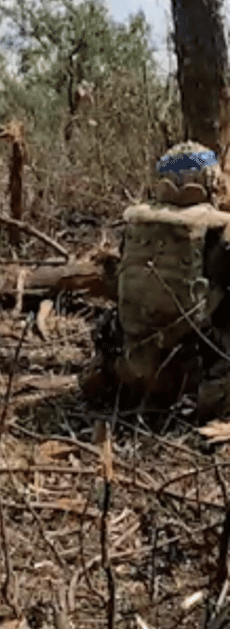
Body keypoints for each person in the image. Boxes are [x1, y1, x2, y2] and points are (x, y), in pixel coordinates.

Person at [81, 140, 230, 420]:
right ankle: (214, 398)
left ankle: (104, 373)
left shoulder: (137, 226)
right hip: (189, 379)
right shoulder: (219, 234)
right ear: (212, 181)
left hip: (128, 371)